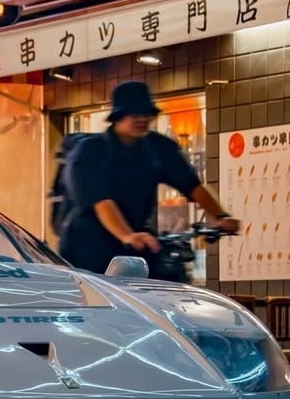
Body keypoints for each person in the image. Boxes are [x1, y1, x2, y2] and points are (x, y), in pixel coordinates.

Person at [58, 80, 239, 276]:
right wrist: (127, 236)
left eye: (146, 113)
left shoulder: (157, 148)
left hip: (135, 241)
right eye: (134, 114)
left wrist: (221, 216)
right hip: (87, 247)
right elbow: (102, 202)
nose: (142, 119)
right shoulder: (90, 151)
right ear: (117, 116)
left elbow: (192, 186)